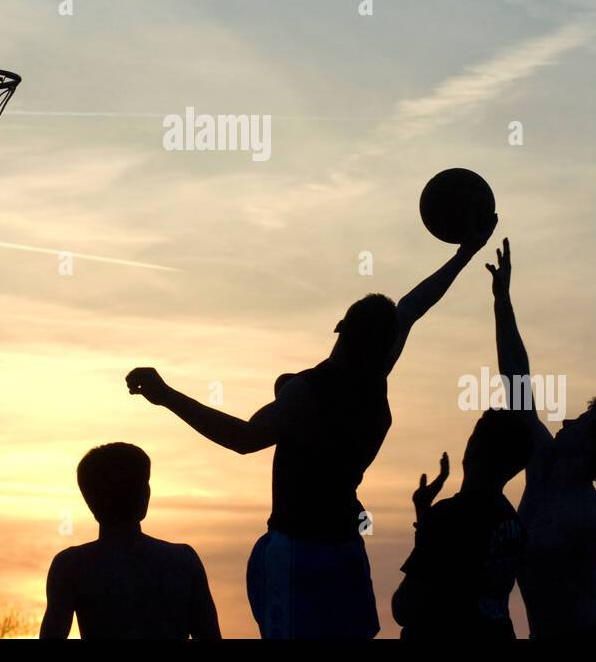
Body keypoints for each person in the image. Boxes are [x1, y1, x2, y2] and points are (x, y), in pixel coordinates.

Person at [126, 218, 496, 639]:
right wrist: (466, 253)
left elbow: (243, 440)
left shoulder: (308, 393)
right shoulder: (375, 375)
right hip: (344, 542)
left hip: (298, 550)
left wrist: (167, 395)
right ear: (384, 342)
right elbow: (415, 305)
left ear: (341, 330)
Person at [485, 238, 596, 639]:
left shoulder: (586, 516)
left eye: (583, 421)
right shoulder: (542, 464)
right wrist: (502, 300)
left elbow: (517, 553)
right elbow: (517, 378)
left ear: (594, 446)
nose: (568, 419)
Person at [39, 442, 220, 639]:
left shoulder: (71, 565)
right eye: (144, 484)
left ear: (89, 501)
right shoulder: (182, 560)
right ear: (144, 494)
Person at [391, 409, 531, 639]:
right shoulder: (513, 523)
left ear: (474, 447)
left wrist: (430, 518)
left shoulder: (450, 516)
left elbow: (405, 609)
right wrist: (425, 512)